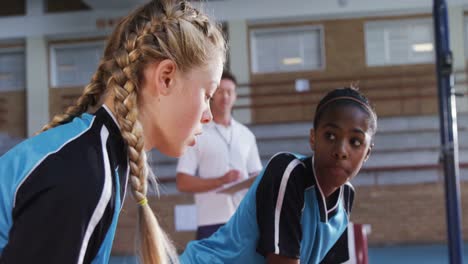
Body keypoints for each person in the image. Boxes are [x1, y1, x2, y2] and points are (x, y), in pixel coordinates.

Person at [0, 0, 226, 263]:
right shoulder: (83, 175)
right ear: (166, 77)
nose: (209, 115)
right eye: (208, 94)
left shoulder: (97, 157)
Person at [180, 87, 378, 264]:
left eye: (355, 142)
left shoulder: (346, 196)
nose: (341, 150)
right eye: (330, 136)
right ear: (313, 138)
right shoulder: (288, 171)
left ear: (368, 153)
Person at [176, 70, 263, 240]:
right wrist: (221, 181)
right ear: (212, 95)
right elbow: (182, 182)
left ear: (235, 96)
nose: (225, 97)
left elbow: (257, 176)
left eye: (229, 92)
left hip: (243, 219)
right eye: (220, 91)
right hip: (210, 221)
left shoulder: (246, 135)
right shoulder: (197, 133)